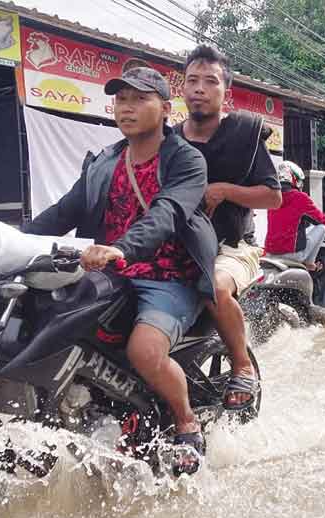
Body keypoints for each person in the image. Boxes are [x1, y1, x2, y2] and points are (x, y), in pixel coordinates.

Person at [21, 67, 217, 468]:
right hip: (110, 276)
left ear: (164, 108)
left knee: (145, 351)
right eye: (121, 99)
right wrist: (3, 242)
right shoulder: (104, 162)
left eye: (139, 99)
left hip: (168, 276)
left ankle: (186, 422)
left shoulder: (186, 160)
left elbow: (167, 214)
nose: (127, 108)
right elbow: (61, 213)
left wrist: (119, 248)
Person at [174, 44, 282, 410]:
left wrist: (224, 191)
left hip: (233, 247)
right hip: (178, 244)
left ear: (226, 92)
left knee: (213, 287)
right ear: (182, 88)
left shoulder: (244, 136)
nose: (200, 89)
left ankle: (242, 364)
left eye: (210, 81)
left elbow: (273, 197)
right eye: (192, 80)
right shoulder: (168, 141)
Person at [264, 161, 325, 268]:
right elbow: (321, 219)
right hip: (292, 255)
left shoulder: (272, 197)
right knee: (322, 227)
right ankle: (309, 263)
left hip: (270, 254)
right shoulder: (300, 197)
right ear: (294, 178)